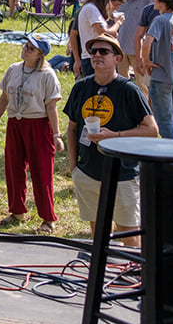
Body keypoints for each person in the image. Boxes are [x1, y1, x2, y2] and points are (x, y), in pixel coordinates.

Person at [64, 35, 158, 245]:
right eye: (93, 51)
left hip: (122, 174)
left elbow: (151, 130)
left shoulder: (128, 90)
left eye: (103, 52)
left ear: (117, 59)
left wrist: (114, 136)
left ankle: (133, 276)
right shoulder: (81, 87)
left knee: (129, 238)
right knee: (99, 236)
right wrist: (74, 167)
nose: (97, 55)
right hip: (88, 172)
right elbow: (72, 129)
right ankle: (104, 275)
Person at [0, 36, 63, 234]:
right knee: (13, 168)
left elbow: (51, 107)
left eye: (31, 48)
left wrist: (57, 134)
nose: (25, 49)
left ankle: (48, 219)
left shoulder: (47, 75)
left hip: (38, 125)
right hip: (15, 124)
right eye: (26, 45)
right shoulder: (14, 69)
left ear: (40, 55)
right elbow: (4, 98)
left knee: (41, 173)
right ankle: (17, 212)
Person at [140, 0, 173, 139]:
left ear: (163, 2)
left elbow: (146, 43)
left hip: (161, 76)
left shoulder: (159, 20)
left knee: (164, 121)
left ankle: (172, 156)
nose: (153, 0)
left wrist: (146, 62)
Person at [75, 0, 124, 77]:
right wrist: (118, 22)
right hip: (94, 57)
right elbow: (104, 33)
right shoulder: (91, 9)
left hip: (93, 57)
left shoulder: (91, 8)